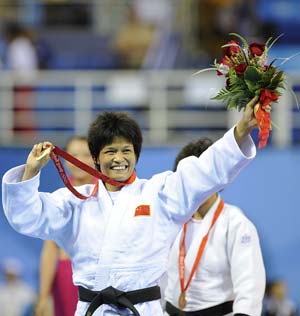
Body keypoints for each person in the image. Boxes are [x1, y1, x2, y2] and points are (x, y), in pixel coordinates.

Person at [2, 96, 261, 316]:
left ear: (136, 155)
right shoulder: (75, 201)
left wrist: (241, 131)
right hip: (94, 309)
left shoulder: (158, 193)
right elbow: (27, 217)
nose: (119, 159)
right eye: (110, 152)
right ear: (95, 159)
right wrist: (30, 173)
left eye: (126, 151)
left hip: (143, 309)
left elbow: (204, 171)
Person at [163, 137, 266, 316]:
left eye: (200, 177)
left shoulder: (235, 223)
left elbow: (250, 286)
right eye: (187, 179)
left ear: (216, 178)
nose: (194, 185)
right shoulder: (170, 219)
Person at [35, 136, 94, 316]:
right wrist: (43, 297)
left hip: (98, 274)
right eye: (73, 155)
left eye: (86, 154)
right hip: (66, 276)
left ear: (96, 158)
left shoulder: (108, 194)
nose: (79, 160)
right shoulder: (59, 198)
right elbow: (49, 250)